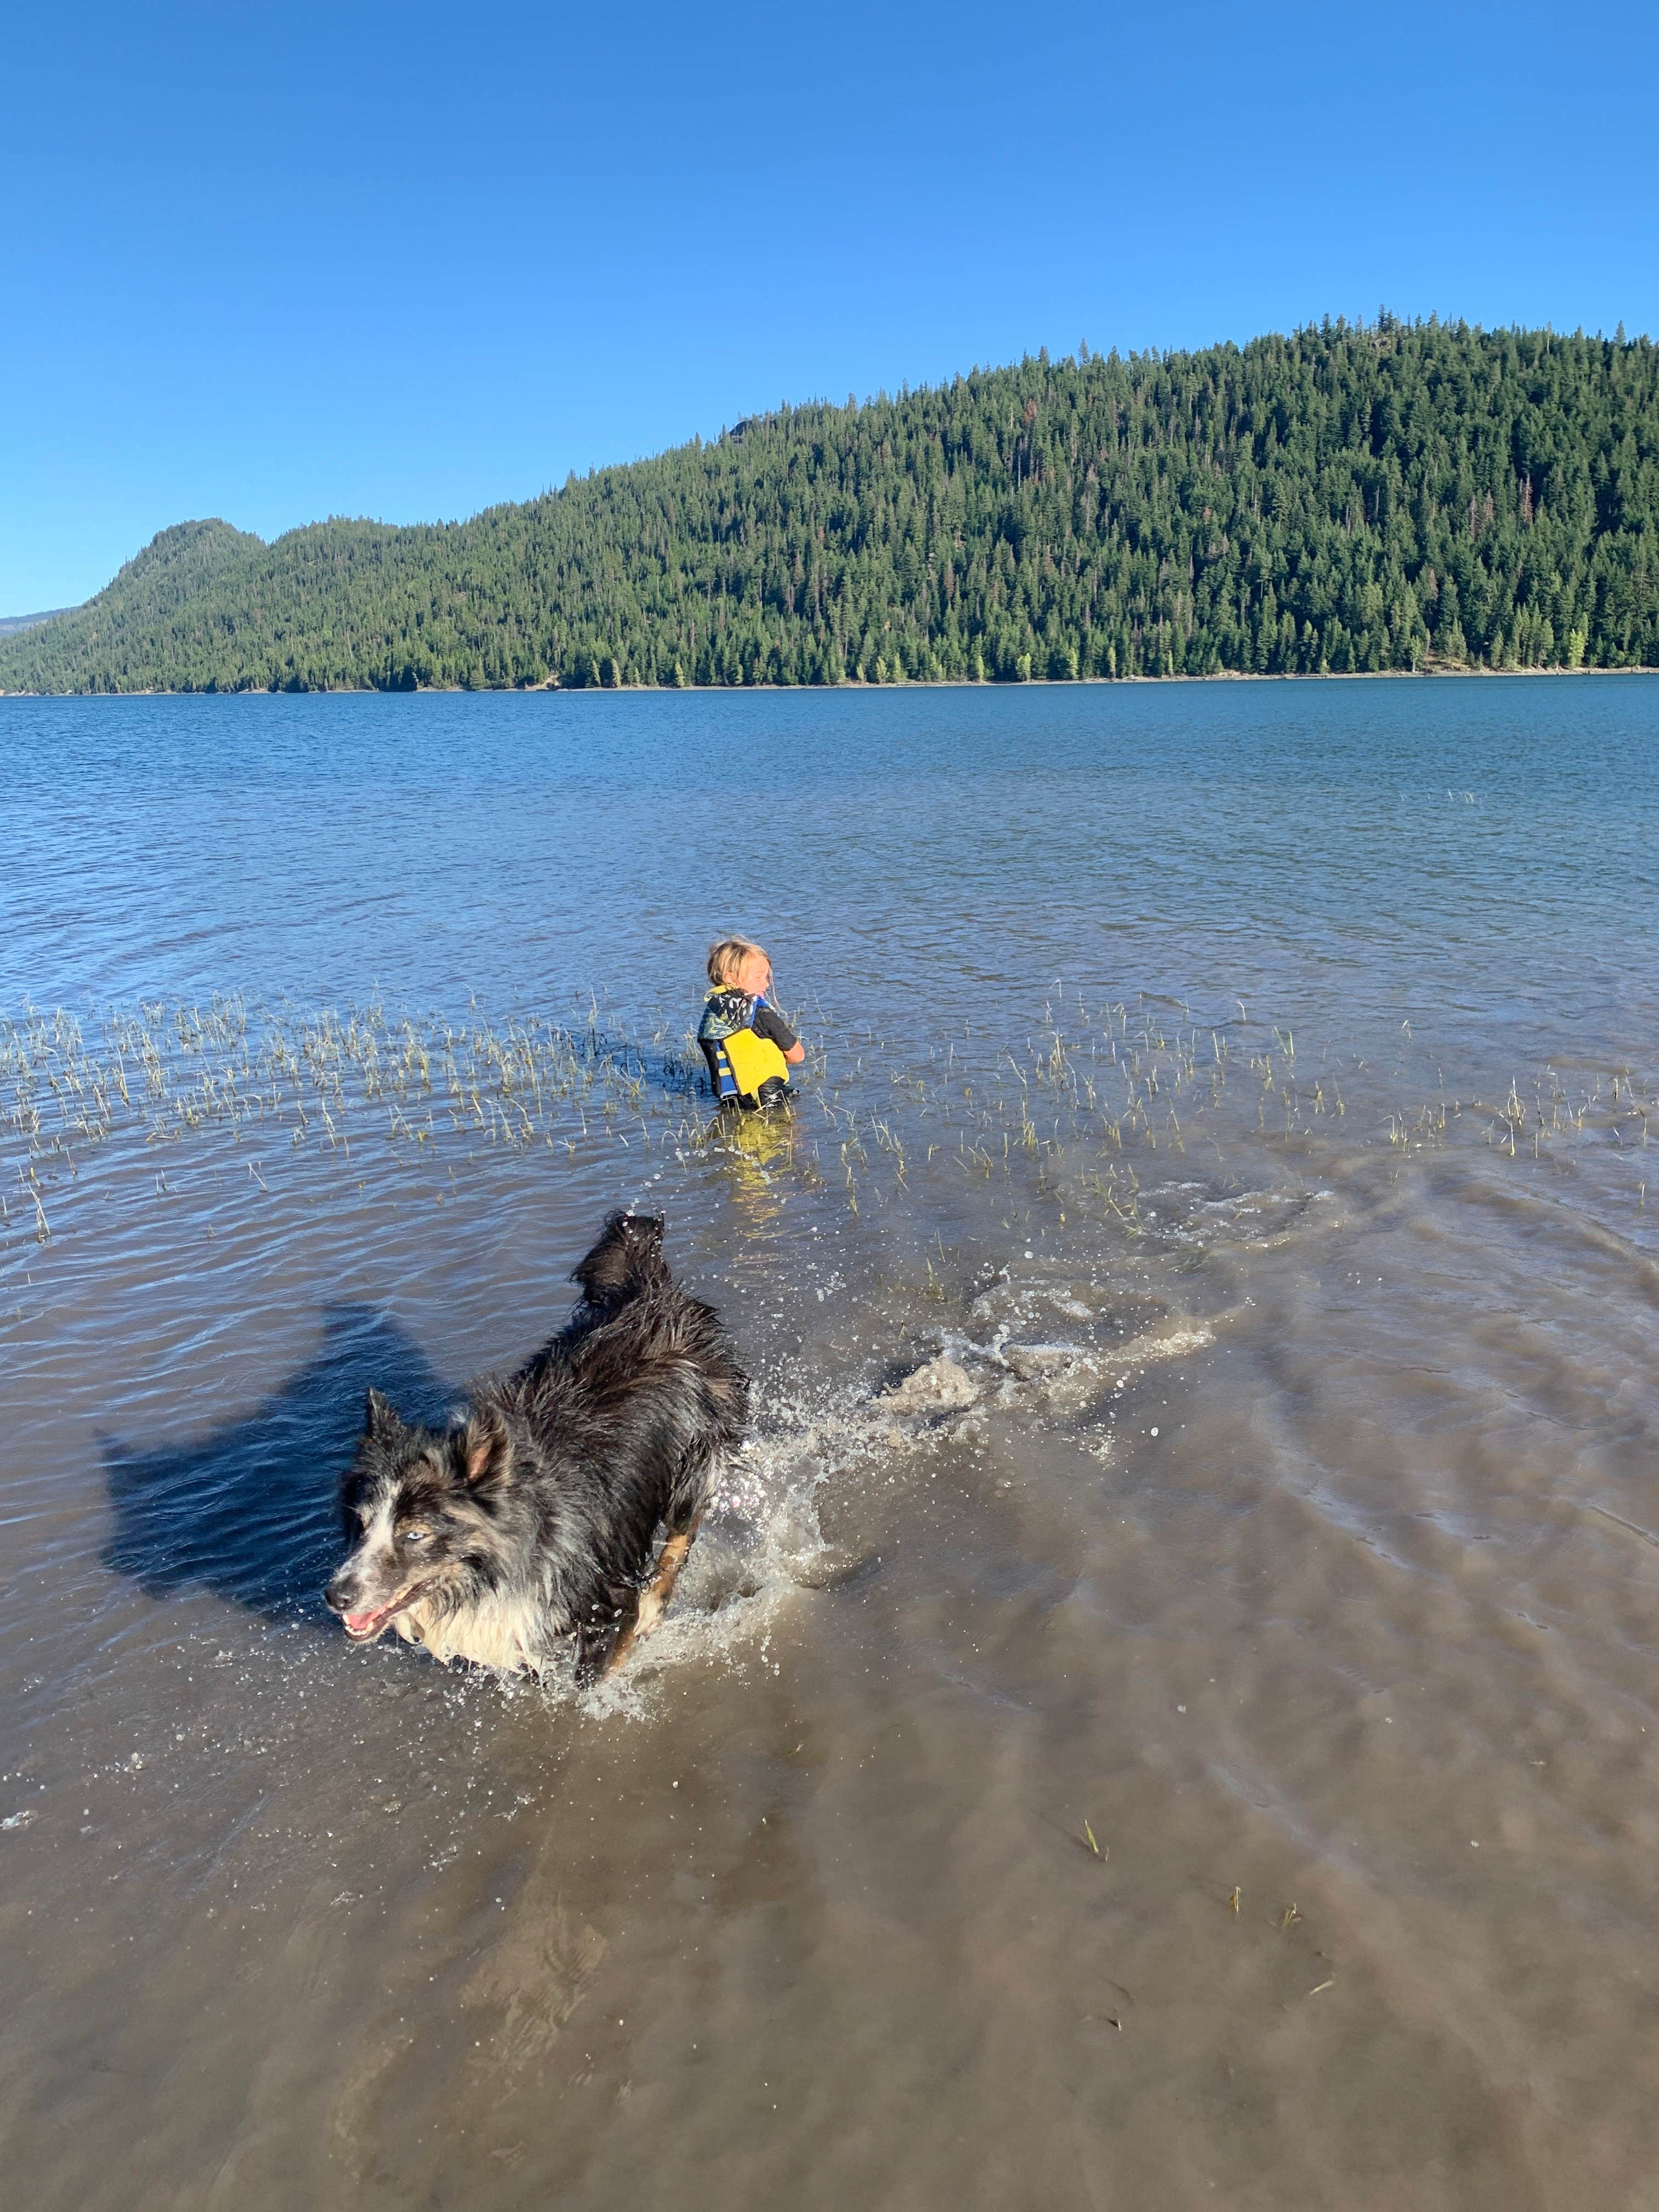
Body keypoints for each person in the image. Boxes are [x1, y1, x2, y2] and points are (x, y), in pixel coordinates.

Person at [697, 936, 805, 1110]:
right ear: (730, 978)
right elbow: (798, 1056)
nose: (766, 984)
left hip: (731, 1098)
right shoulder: (760, 1012)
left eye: (766, 977)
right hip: (768, 1095)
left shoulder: (713, 1009)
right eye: (759, 977)